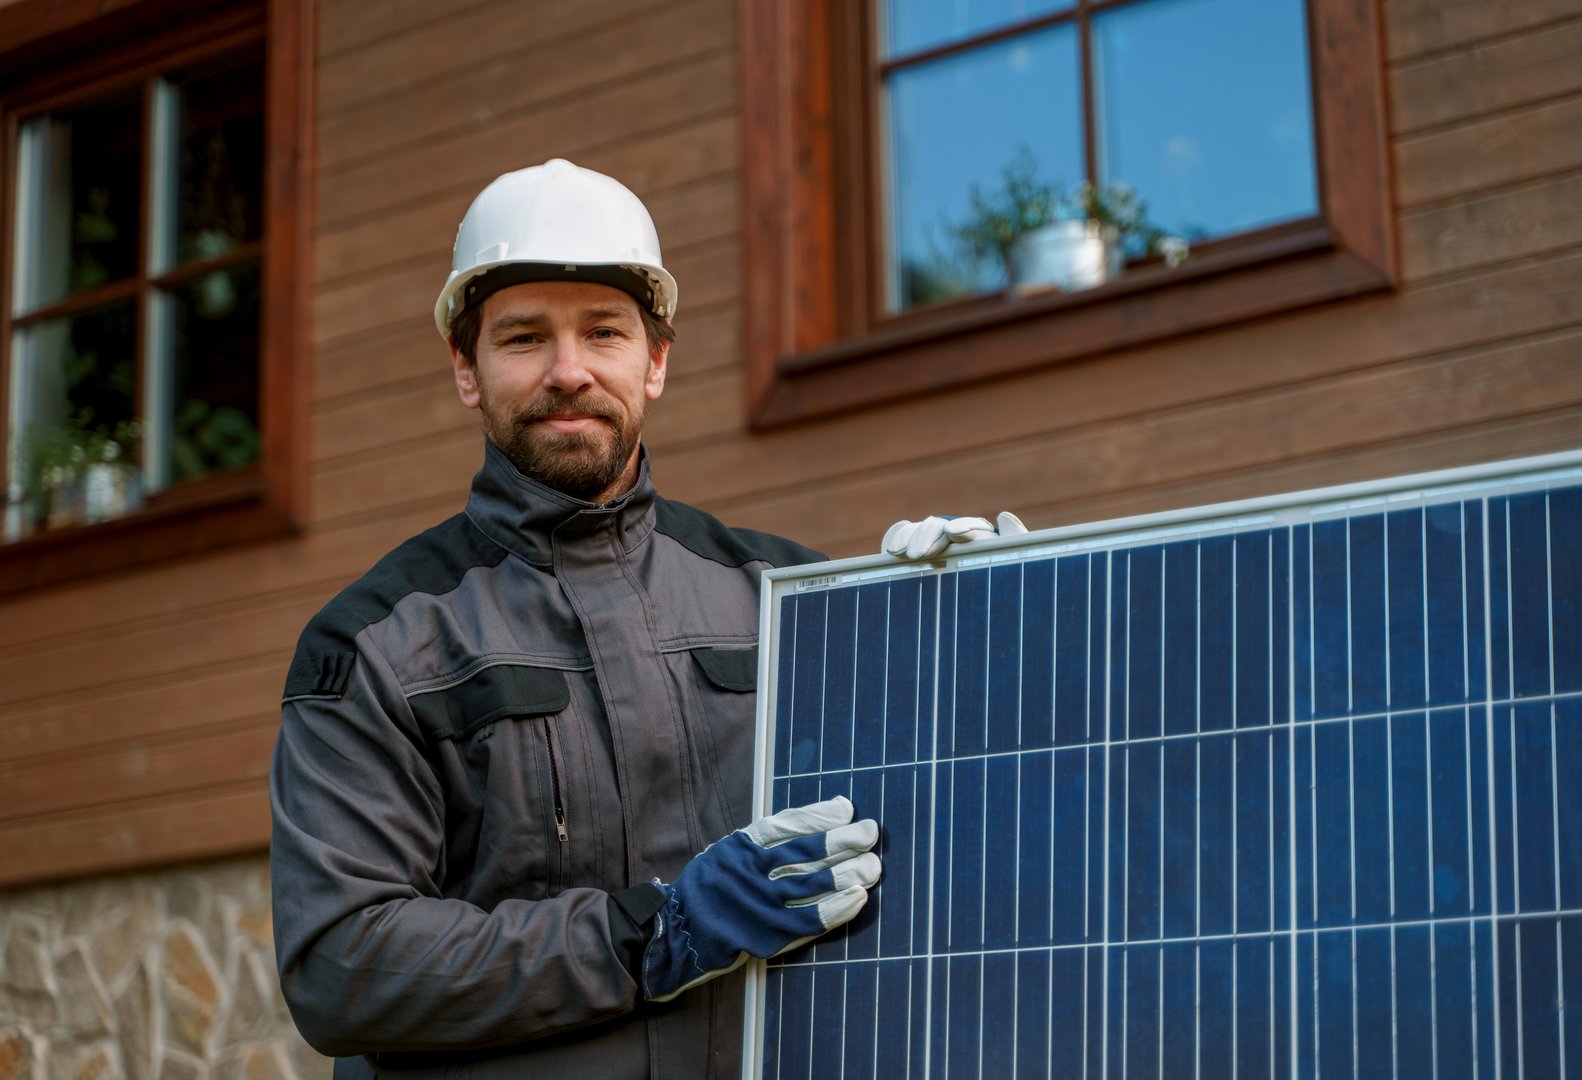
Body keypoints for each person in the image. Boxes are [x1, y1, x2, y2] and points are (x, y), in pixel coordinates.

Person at [270, 159, 1021, 1079]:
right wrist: (651, 934)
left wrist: (986, 622)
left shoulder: (789, 596)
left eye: (603, 331)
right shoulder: (377, 644)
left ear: (655, 361)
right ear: (467, 370)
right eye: (523, 338)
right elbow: (342, 966)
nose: (568, 371)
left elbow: (955, 823)